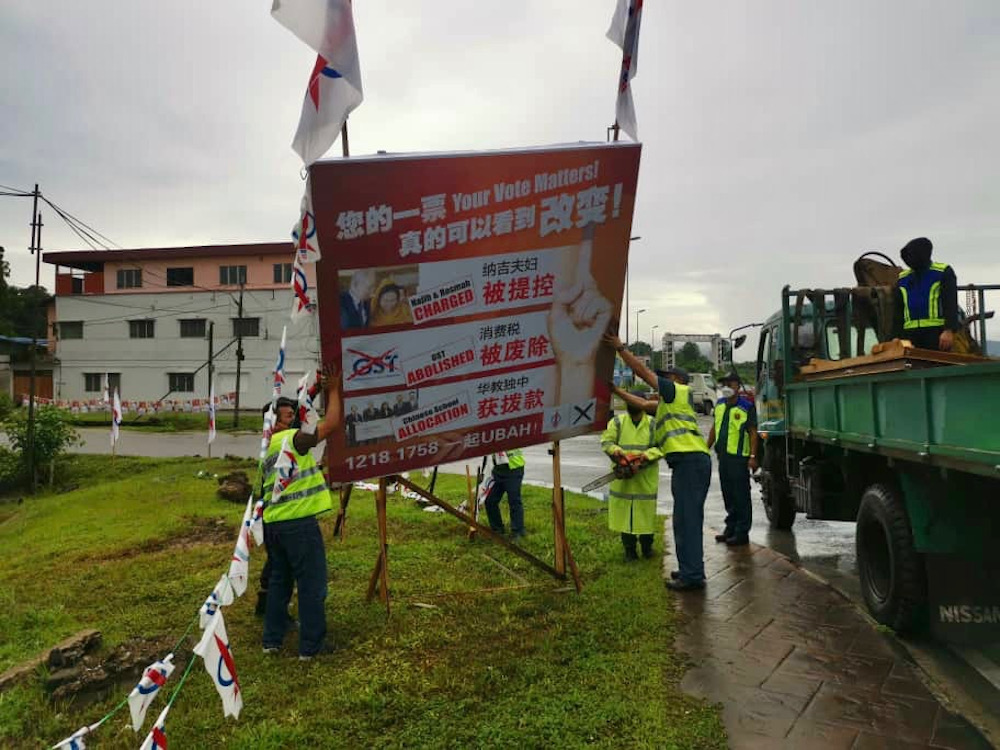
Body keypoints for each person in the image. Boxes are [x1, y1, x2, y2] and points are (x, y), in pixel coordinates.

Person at [606, 332, 712, 592]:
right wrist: (616, 390)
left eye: (667, 377)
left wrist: (621, 348)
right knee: (684, 520)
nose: (662, 382)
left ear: (677, 380)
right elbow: (642, 403)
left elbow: (644, 373)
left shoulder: (678, 391)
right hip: (688, 464)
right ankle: (690, 568)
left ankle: (692, 575)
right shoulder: (670, 404)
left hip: (690, 462)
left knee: (687, 520)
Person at [259, 387, 339, 660]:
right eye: (287, 416)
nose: (293, 419)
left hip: (274, 525)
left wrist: (315, 387)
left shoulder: (266, 447)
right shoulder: (290, 439)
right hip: (298, 526)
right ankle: (311, 647)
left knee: (280, 582)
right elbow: (331, 424)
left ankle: (272, 640)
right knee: (311, 584)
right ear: (275, 422)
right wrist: (335, 389)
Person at [601, 387, 663, 561]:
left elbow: (661, 446)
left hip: (645, 478)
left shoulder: (653, 424)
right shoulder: (617, 422)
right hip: (623, 479)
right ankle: (629, 550)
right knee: (624, 515)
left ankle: (647, 548)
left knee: (645, 514)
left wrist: (644, 458)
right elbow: (606, 442)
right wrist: (618, 453)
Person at [706, 371, 758, 547]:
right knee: (728, 494)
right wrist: (706, 447)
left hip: (739, 458)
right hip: (723, 457)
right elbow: (715, 428)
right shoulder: (720, 404)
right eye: (725, 384)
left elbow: (753, 433)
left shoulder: (746, 406)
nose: (727, 387)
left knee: (740, 495)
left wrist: (753, 456)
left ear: (738, 386)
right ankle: (731, 528)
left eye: (730, 384)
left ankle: (742, 532)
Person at [895, 237, 958, 351]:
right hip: (909, 335)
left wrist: (949, 330)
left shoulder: (942, 272)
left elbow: (950, 303)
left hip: (937, 334)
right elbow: (898, 310)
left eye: (912, 255)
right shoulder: (903, 278)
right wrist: (897, 336)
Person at [484, 449, 526, 540]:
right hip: (498, 469)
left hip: (514, 468)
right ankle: (497, 530)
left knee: (514, 501)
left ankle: (518, 531)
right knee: (490, 501)